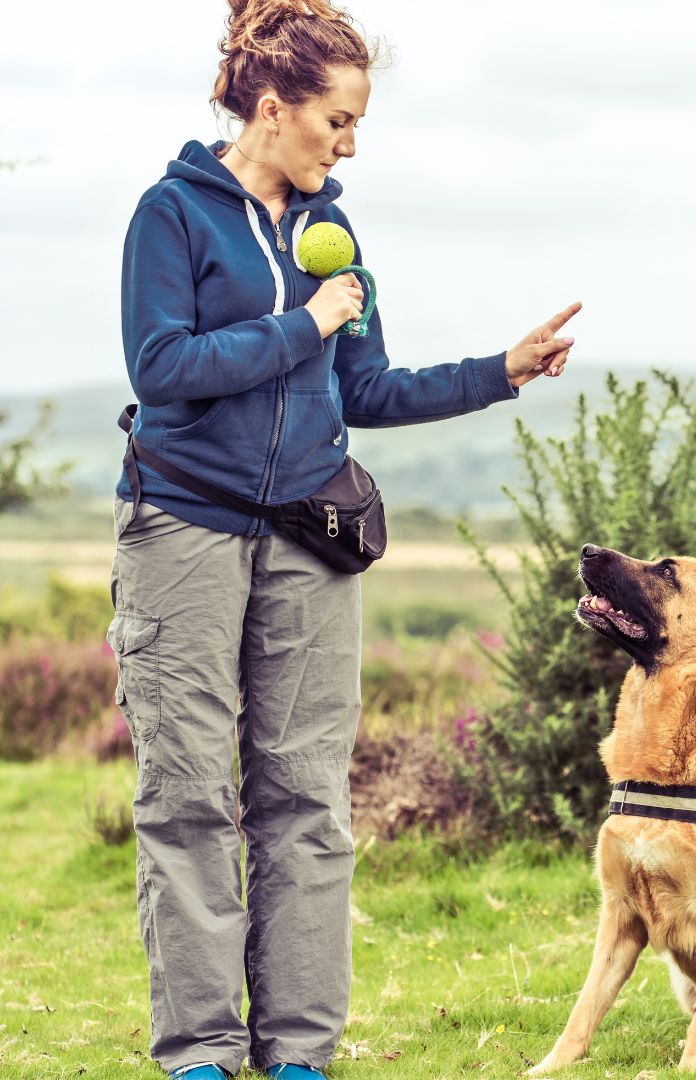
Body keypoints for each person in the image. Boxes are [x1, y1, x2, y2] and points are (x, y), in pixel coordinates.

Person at [106, 2, 580, 1077]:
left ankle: (301, 1058)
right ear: (272, 111)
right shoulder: (172, 214)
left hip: (308, 543)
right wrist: (303, 325)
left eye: (359, 125)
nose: (351, 145)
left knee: (306, 798)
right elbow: (163, 369)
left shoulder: (336, 232)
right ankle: (198, 1056)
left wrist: (498, 371)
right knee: (188, 797)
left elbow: (364, 386)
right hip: (182, 531)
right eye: (339, 121)